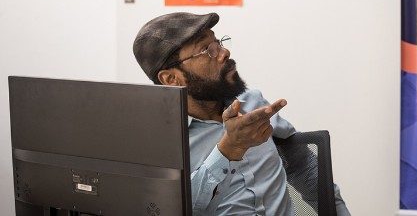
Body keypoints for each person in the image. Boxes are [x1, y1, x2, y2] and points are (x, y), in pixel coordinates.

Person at [133, 12, 350, 215]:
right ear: (171, 79)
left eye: (218, 43)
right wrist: (229, 149)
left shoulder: (253, 103)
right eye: (207, 50)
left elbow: (302, 167)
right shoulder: (160, 142)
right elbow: (176, 210)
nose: (224, 53)